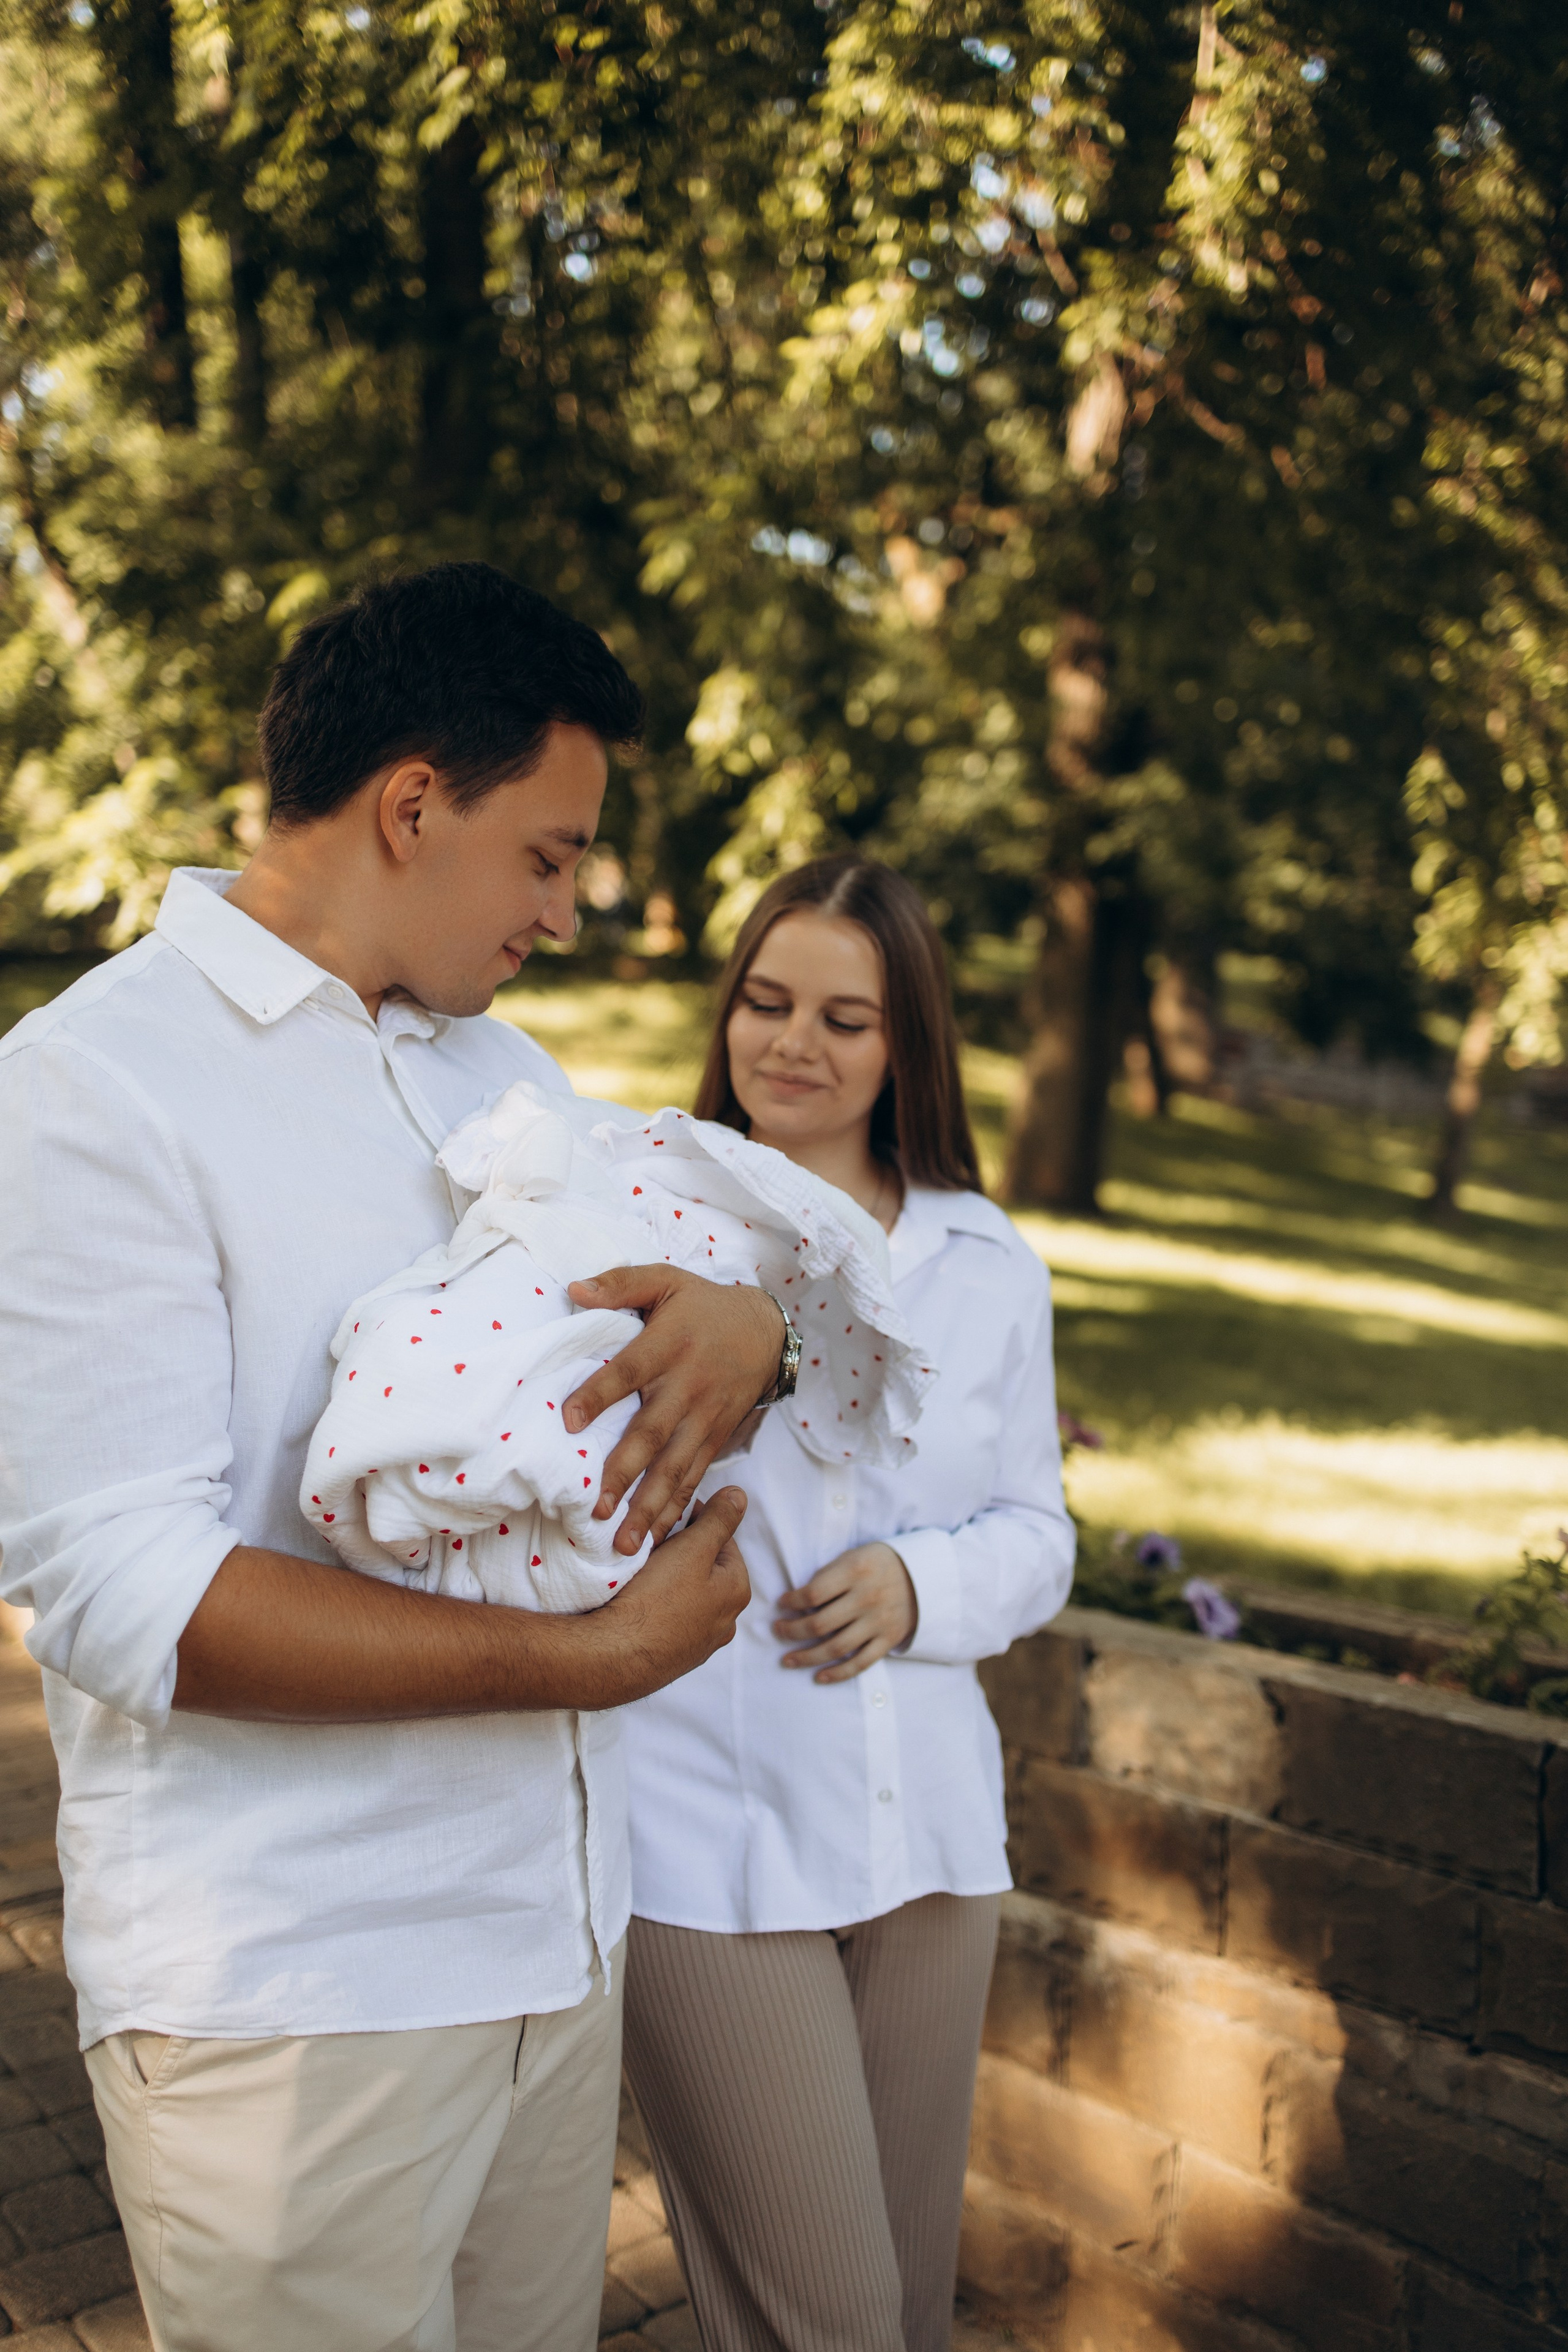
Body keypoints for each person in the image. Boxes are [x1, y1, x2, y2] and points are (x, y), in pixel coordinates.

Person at [0, 563, 795, 2352]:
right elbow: (126, 1597)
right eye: (549, 856)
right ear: (413, 804)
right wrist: (595, 1659)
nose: (568, 914)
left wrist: (759, 1333)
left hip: (555, 1953)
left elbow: (655, 1340)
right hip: (297, 2004)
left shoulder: (503, 1076)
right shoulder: (92, 1086)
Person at [619, 855, 1077, 2352]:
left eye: (843, 1018)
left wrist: (918, 1582)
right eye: (763, 1001)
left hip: (928, 1841)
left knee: (908, 2311)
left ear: (905, 1046)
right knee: (827, 2321)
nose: (791, 1044)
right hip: (705, 1844)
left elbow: (1036, 1533)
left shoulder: (985, 1264)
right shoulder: (643, 1220)